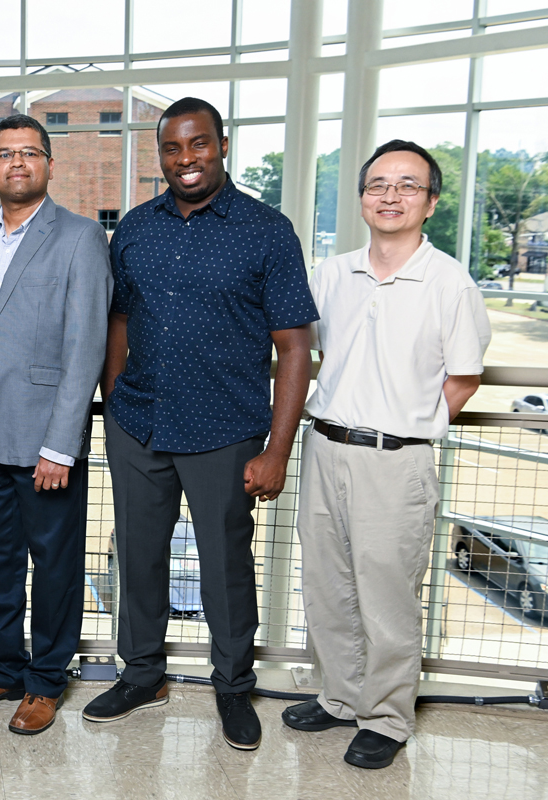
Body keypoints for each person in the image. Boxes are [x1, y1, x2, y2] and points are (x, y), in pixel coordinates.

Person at [84, 97, 318, 751]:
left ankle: (234, 687)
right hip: (139, 424)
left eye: (198, 145)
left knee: (224, 567)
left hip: (224, 430)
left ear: (222, 144)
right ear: (160, 154)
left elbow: (294, 347)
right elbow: (119, 322)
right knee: (136, 556)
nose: (186, 159)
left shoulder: (268, 231)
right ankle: (141, 675)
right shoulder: (133, 228)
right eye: (172, 148)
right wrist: (113, 405)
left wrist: (276, 450)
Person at [284, 140, 490, 769]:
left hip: (395, 460)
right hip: (325, 446)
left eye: (407, 185)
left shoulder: (450, 282)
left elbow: (463, 378)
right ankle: (342, 696)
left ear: (430, 200)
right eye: (378, 184)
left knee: (388, 594)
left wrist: (406, 426)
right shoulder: (333, 273)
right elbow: (320, 355)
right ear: (362, 198)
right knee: (327, 585)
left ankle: (388, 716)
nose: (391, 195)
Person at [0, 114, 113, 735]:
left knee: (55, 565)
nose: (17, 163)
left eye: (30, 152)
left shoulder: (82, 238)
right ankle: (0, 670)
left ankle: (45, 681)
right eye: (5, 153)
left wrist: (62, 445)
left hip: (45, 442)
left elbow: (86, 346)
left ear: (49, 165)